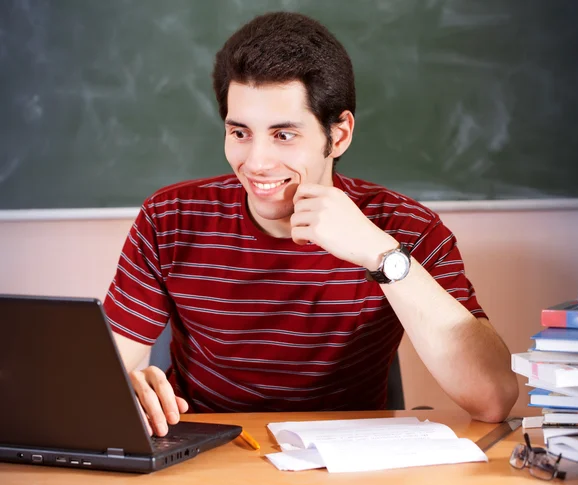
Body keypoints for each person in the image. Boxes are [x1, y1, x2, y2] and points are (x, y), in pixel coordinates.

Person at [105, 11, 518, 437]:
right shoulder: (169, 219)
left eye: (284, 135)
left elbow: (493, 398)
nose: (257, 163)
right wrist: (126, 390)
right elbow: (99, 384)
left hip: (348, 466)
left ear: (337, 136)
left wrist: (383, 255)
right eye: (240, 132)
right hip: (207, 455)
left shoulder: (407, 228)